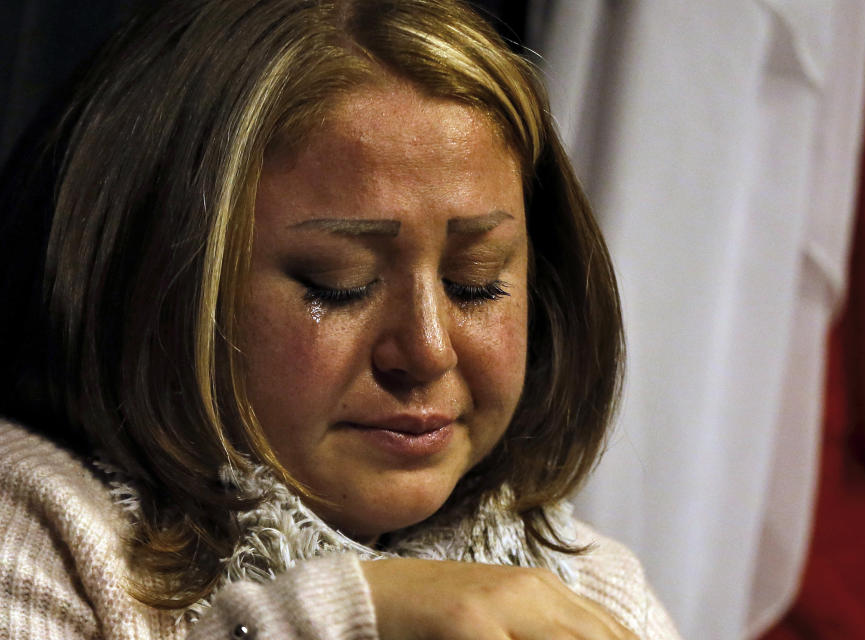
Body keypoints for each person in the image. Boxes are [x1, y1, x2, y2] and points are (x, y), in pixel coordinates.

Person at [0, 0, 681, 638]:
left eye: (473, 284)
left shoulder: (590, 578)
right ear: (154, 285)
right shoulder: (32, 525)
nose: (427, 350)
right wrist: (349, 614)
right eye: (341, 284)